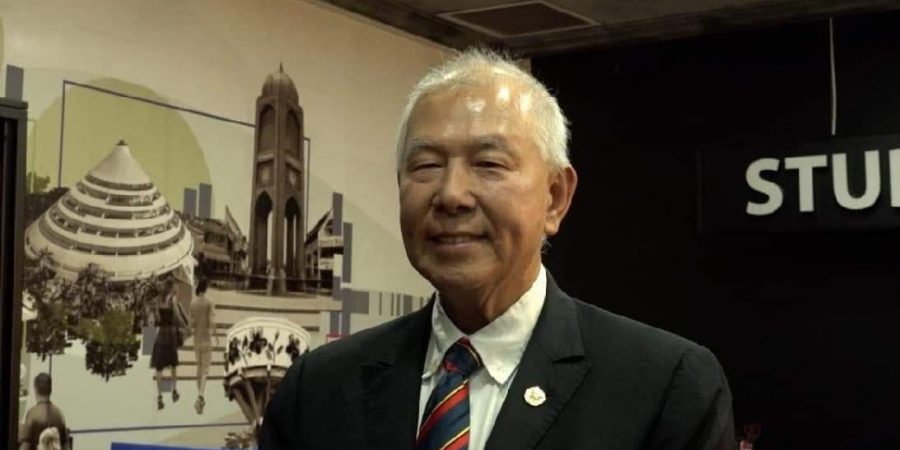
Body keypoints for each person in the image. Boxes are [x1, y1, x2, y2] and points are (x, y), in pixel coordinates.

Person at [260, 48, 735, 450]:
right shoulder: (318, 388)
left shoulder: (665, 388)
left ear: (555, 197)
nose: (451, 195)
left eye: (488, 163)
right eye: (426, 165)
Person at [151, 277, 187, 410]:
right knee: (173, 364)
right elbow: (177, 317)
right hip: (171, 334)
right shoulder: (172, 300)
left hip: (161, 334)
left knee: (159, 367)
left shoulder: (157, 300)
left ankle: (160, 396)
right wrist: (186, 326)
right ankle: (174, 390)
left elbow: (157, 319)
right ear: (171, 288)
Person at [18, 373, 69, 450]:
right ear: (50, 390)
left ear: (36, 389)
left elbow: (25, 445)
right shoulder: (59, 414)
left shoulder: (32, 414)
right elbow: (65, 446)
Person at [190, 277, 218, 414]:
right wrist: (216, 335)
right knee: (206, 369)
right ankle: (200, 395)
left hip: (197, 339)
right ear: (205, 287)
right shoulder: (209, 302)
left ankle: (200, 395)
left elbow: (192, 323)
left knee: (199, 367)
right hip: (206, 338)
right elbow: (212, 322)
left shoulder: (193, 303)